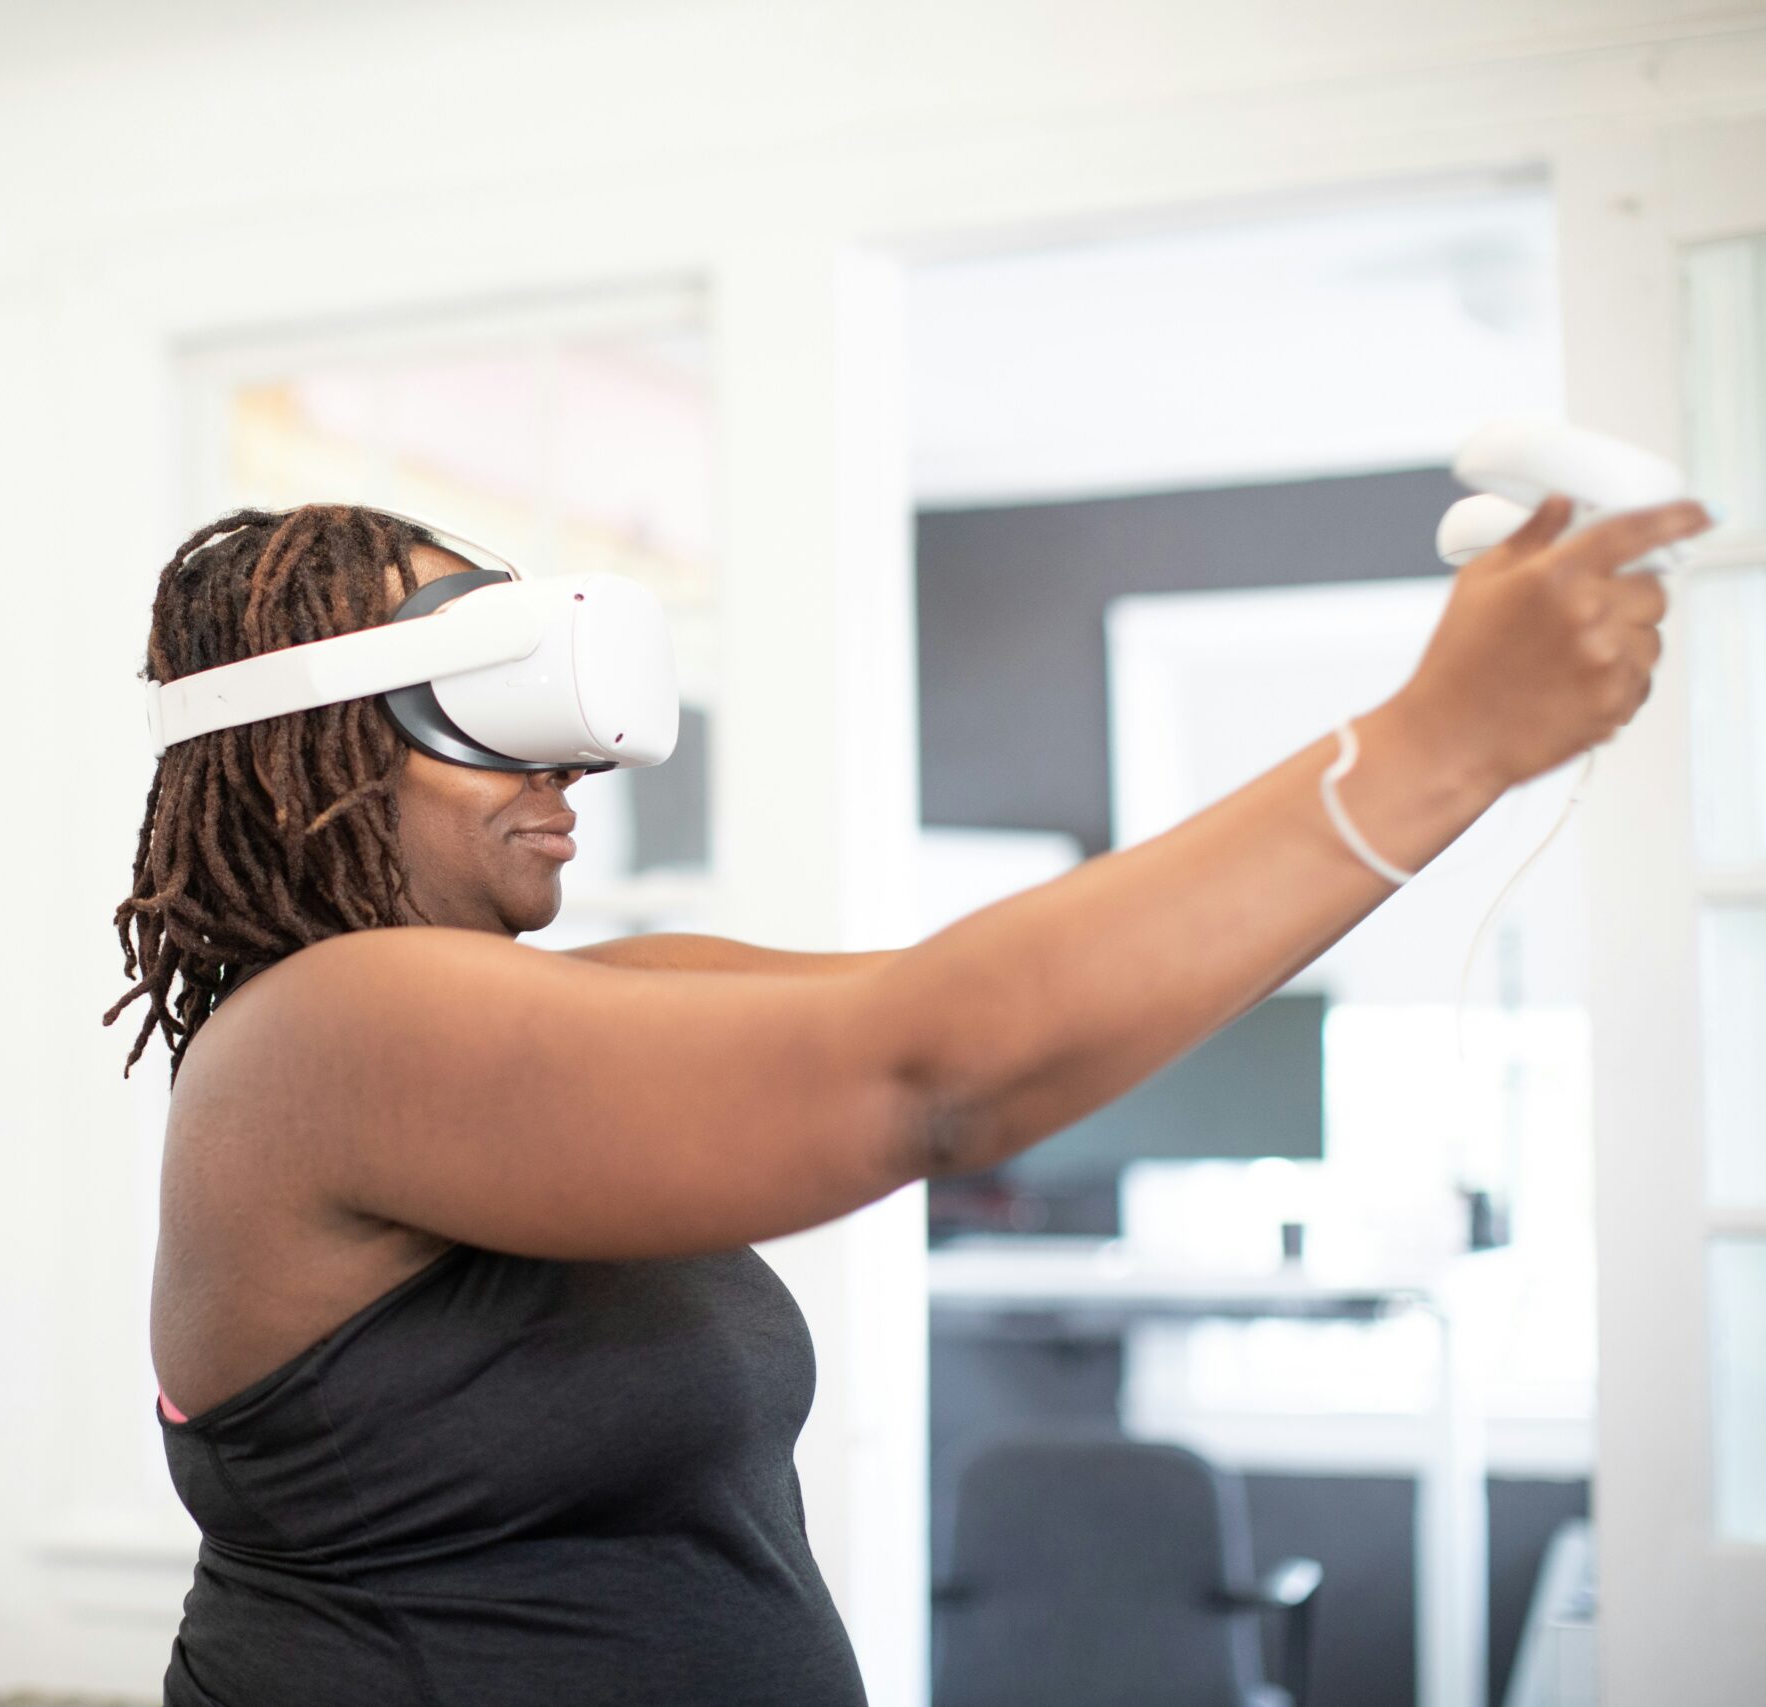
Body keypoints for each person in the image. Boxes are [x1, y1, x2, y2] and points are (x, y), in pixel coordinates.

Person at [104, 496, 1706, 1707]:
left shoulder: (581, 1000)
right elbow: (940, 1073)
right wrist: (1439, 739)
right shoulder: (324, 1032)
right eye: (478, 706)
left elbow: (996, 999)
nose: (566, 770)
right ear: (310, 738)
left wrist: (1460, 748)